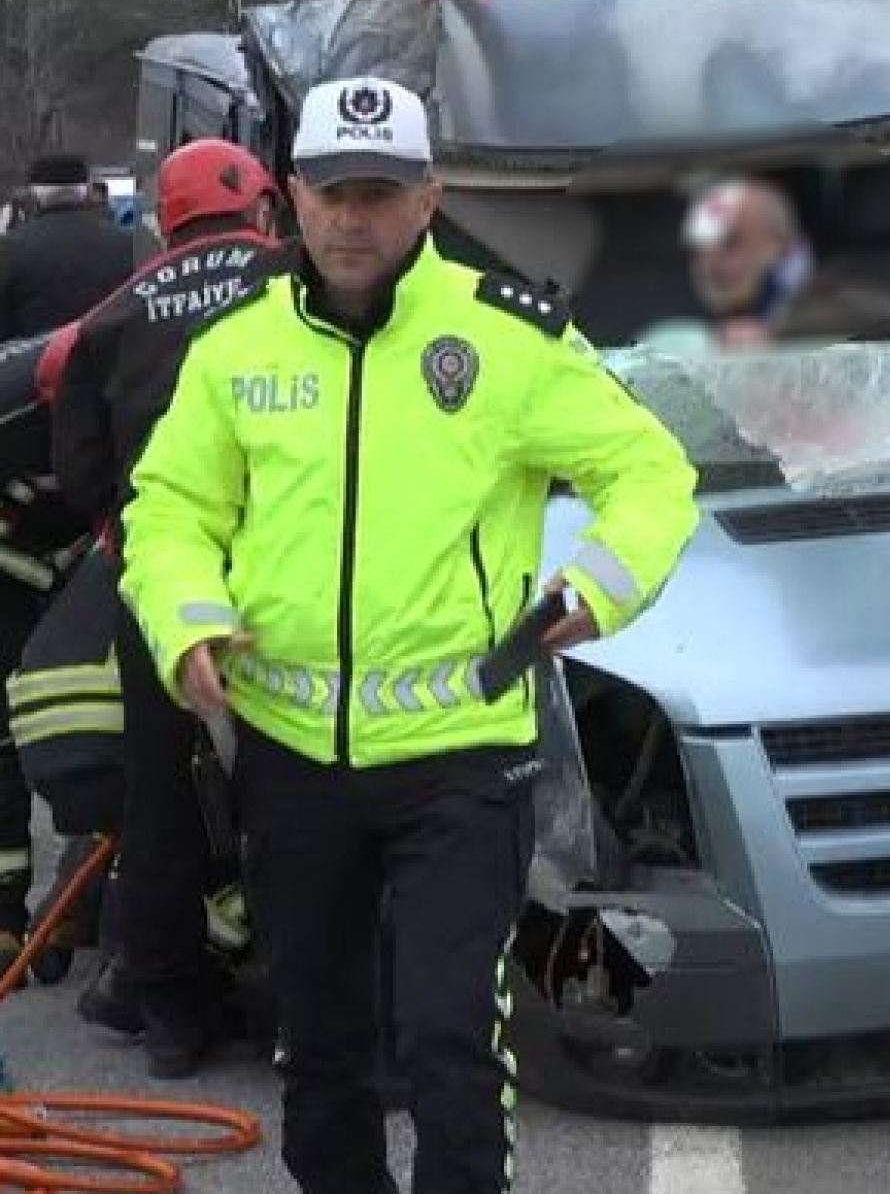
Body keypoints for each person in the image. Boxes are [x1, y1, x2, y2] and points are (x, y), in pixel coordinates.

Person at [120, 75, 698, 1194]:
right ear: (290, 194)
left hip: (461, 762)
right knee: (321, 1049)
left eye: (379, 191)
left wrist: (599, 584)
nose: (351, 216)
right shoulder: (233, 350)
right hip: (288, 758)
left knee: (445, 1036)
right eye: (331, 188)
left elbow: (651, 472)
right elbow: (170, 508)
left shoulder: (503, 338)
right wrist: (184, 617)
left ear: (427, 198)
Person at [49, 138, 286, 1077]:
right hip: (287, 591)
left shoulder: (110, 320)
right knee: (300, 800)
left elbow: (81, 475)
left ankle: (175, 1024)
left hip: (160, 592)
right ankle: (294, 1008)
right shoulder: (301, 277)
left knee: (158, 811)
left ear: (166, 215)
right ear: (261, 204)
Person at [0, 155, 133, 981]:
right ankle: (83, 910)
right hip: (102, 519)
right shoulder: (131, 255)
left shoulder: (12, 257)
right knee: (117, 727)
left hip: (24, 518)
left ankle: (13, 920)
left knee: (10, 734)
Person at [681, 176, 890, 348]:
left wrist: (775, 334)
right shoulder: (702, 316)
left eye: (731, 243)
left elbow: (883, 317)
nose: (709, 264)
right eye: (698, 250)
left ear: (781, 244)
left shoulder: (841, 274)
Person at [0, 155, 133, 343]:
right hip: (111, 363)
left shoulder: (11, 247)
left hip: (36, 365)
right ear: (87, 189)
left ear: (33, 192)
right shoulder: (127, 243)